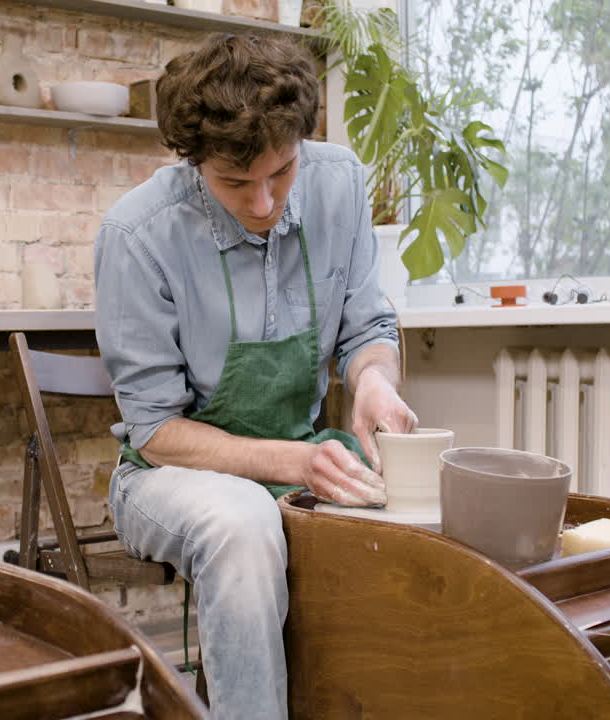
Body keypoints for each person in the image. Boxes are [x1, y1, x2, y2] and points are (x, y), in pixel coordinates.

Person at [93, 33, 417, 720]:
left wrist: (374, 382)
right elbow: (155, 431)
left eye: (283, 172)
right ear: (192, 162)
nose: (265, 203)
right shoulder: (137, 235)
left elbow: (367, 329)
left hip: (304, 452)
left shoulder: (339, 185)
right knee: (242, 524)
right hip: (167, 474)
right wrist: (293, 461)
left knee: (417, 512)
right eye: (235, 183)